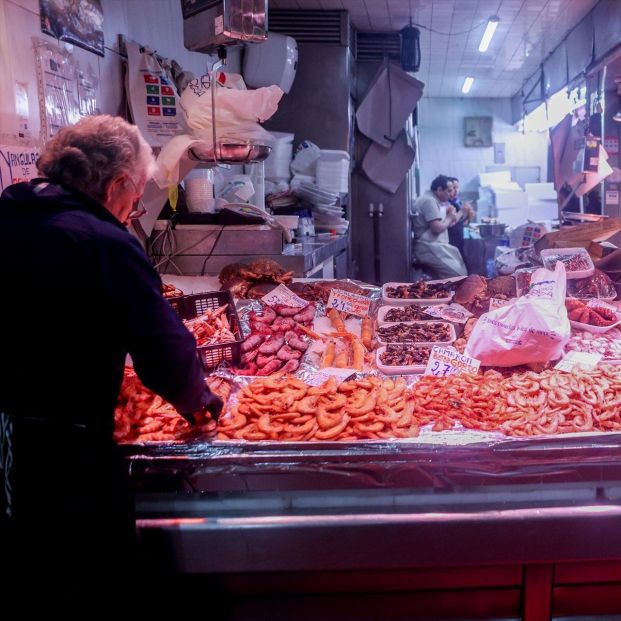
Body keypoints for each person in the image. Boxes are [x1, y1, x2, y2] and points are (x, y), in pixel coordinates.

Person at [0, 115, 222, 596]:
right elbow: (162, 347)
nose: (134, 208)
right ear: (119, 182)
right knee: (80, 567)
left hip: (10, 431)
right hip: (61, 443)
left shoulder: (9, 216)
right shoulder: (104, 242)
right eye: (138, 195)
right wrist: (199, 401)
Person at [411, 175, 468, 279]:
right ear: (439, 190)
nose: (451, 194)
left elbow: (445, 223)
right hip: (428, 246)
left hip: (433, 245)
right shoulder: (429, 201)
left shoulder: (433, 200)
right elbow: (436, 228)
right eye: (449, 191)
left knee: (458, 263)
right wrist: (449, 217)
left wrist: (450, 216)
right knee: (459, 275)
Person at [447, 176, 475, 260]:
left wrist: (469, 217)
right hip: (450, 237)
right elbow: (451, 222)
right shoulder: (446, 203)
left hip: (459, 235)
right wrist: (463, 211)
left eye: (457, 187)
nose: (456, 191)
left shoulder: (457, 201)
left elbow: (462, 222)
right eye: (453, 188)